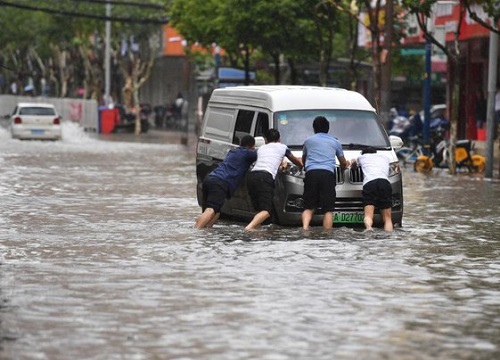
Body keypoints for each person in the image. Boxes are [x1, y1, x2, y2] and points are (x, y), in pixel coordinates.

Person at [195, 135, 257, 229]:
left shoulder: (233, 151)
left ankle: (206, 232)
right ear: (251, 146)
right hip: (220, 182)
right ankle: (196, 232)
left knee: (216, 212)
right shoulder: (248, 153)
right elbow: (265, 153)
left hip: (210, 178)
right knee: (211, 210)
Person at [245, 129, 302, 231]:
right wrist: (302, 165)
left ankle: (257, 234)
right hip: (265, 177)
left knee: (259, 210)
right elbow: (295, 161)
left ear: (265, 140)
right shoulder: (283, 147)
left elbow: (269, 159)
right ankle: (249, 228)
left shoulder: (261, 148)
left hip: (252, 176)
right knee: (266, 211)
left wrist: (281, 165)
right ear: (279, 139)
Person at [301, 116, 350, 230]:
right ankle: (327, 234)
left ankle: (305, 228)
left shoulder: (308, 140)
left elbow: (304, 159)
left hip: (311, 173)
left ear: (314, 129)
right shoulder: (335, 142)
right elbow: (342, 162)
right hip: (327, 174)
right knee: (328, 210)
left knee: (308, 206)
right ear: (328, 128)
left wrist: (305, 166)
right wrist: (344, 167)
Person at [350, 147, 393, 232]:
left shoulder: (362, 157)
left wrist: (352, 162)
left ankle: (369, 227)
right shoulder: (385, 157)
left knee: (368, 215)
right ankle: (389, 234)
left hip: (370, 183)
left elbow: (354, 166)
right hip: (384, 182)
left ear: (363, 153)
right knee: (387, 218)